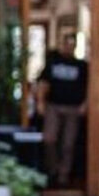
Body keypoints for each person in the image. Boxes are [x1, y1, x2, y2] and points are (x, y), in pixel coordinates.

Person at [37, 33, 88, 187]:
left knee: (68, 143)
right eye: (66, 44)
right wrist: (41, 102)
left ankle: (63, 176)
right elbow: (44, 83)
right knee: (49, 139)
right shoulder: (53, 62)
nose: (68, 47)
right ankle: (52, 170)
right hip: (53, 105)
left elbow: (89, 88)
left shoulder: (82, 66)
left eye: (72, 45)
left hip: (73, 107)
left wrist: (85, 104)